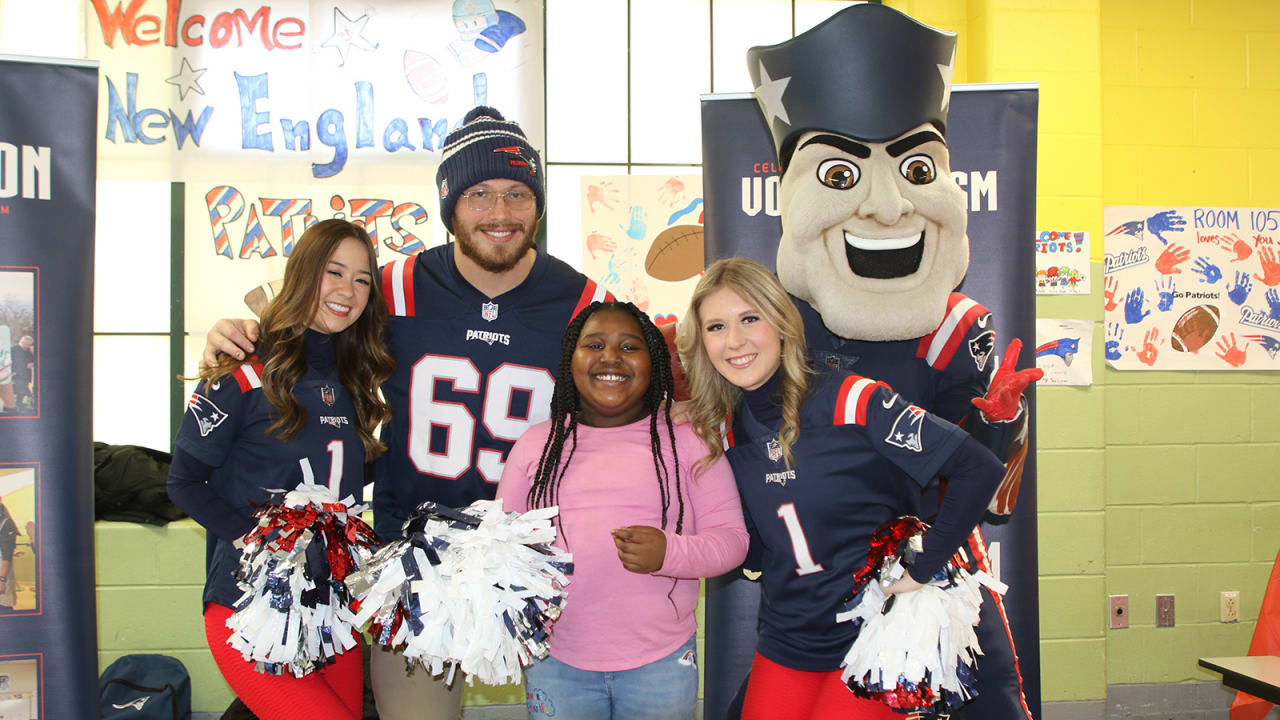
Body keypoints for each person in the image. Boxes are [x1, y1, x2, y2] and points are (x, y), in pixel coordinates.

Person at [203, 106, 613, 720]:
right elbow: (302, 339)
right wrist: (234, 337)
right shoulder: (390, 288)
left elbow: (650, 400)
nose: (499, 213)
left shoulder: (584, 303)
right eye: (479, 194)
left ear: (538, 204)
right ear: (450, 203)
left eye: (516, 193)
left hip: (536, 565)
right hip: (413, 563)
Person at [676, 258, 1004, 720]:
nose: (734, 341)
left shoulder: (852, 397)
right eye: (715, 326)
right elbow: (754, 547)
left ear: (782, 323)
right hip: (788, 635)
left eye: (750, 318)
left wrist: (923, 569)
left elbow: (979, 468)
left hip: (873, 636)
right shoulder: (729, 431)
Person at [169, 219, 394, 720]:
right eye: (333, 272)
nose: (347, 290)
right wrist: (269, 546)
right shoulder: (241, 369)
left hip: (332, 613)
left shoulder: (353, 378)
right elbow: (182, 482)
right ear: (303, 274)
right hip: (248, 610)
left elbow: (337, 477)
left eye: (362, 279)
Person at [496, 301, 748, 720]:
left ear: (654, 364)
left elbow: (733, 541)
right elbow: (499, 545)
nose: (610, 357)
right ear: (570, 361)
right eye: (593, 344)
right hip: (556, 661)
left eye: (630, 347)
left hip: (661, 663)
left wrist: (670, 553)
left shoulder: (688, 440)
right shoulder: (535, 445)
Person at [0, 499, 17, 613]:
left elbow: (7, 554)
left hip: (2, 574)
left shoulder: (6, 523)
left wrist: (1, 580)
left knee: (4, 608)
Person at [11, 336, 33, 410]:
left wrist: (32, 363)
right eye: (27, 344)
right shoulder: (12, 350)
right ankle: (18, 404)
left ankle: (19, 404)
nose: (28, 346)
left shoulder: (28, 352)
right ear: (22, 342)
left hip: (25, 374)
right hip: (15, 374)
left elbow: (33, 360)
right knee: (22, 390)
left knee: (21, 391)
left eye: (29, 345)